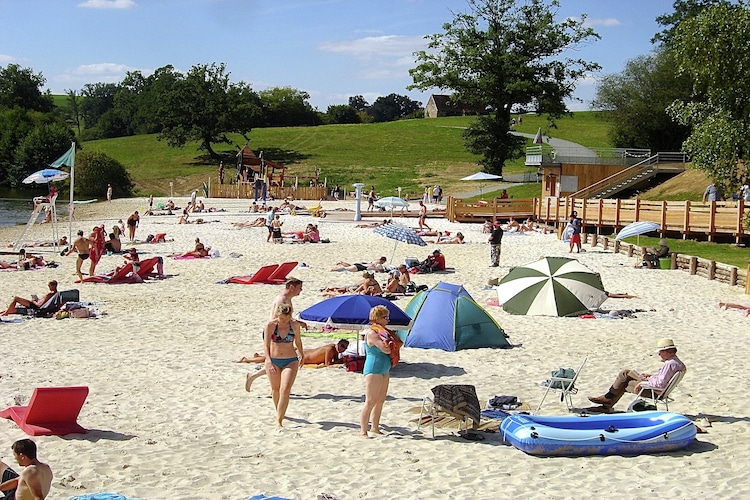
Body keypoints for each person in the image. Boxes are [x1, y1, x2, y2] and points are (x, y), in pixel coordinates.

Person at [588, 338, 686, 410]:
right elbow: (664, 379)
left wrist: (642, 383)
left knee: (624, 379)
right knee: (626, 374)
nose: (659, 354)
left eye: (660, 352)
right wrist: (651, 376)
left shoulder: (670, 364)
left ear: (666, 351)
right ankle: (607, 400)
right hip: (655, 387)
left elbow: (660, 384)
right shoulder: (677, 363)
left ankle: (607, 401)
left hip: (653, 390)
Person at [246, 278, 306, 392]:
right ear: (292, 287)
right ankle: (269, 384)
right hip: (275, 331)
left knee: (278, 360)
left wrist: (298, 323)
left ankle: (253, 377)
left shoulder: (284, 298)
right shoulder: (283, 299)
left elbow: (285, 317)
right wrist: (296, 324)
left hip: (276, 330)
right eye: (299, 288)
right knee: (276, 360)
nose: (300, 291)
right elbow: (280, 318)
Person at [359, 305, 402, 438]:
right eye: (385, 317)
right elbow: (386, 349)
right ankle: (363, 431)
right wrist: (390, 343)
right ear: (377, 318)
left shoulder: (385, 332)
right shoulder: (372, 333)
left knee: (380, 400)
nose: (388, 320)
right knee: (370, 400)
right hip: (374, 368)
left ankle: (375, 427)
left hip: (385, 367)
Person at [262, 303, 303, 428]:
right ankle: (279, 412)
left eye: (286, 318)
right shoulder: (270, 325)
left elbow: (298, 341)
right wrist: (268, 360)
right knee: (275, 389)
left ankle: (279, 420)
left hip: (290, 360)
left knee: (285, 389)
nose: (283, 321)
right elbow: (266, 345)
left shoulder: (294, 325)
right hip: (273, 360)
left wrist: (302, 355)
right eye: (281, 318)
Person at [238, 340, 349, 366]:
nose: (343, 349)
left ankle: (258, 356)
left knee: (274, 357)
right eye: (342, 346)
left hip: (304, 353)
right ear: (338, 344)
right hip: (301, 356)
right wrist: (340, 363)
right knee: (271, 359)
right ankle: (247, 360)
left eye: (345, 348)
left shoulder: (332, 348)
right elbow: (327, 364)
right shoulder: (330, 350)